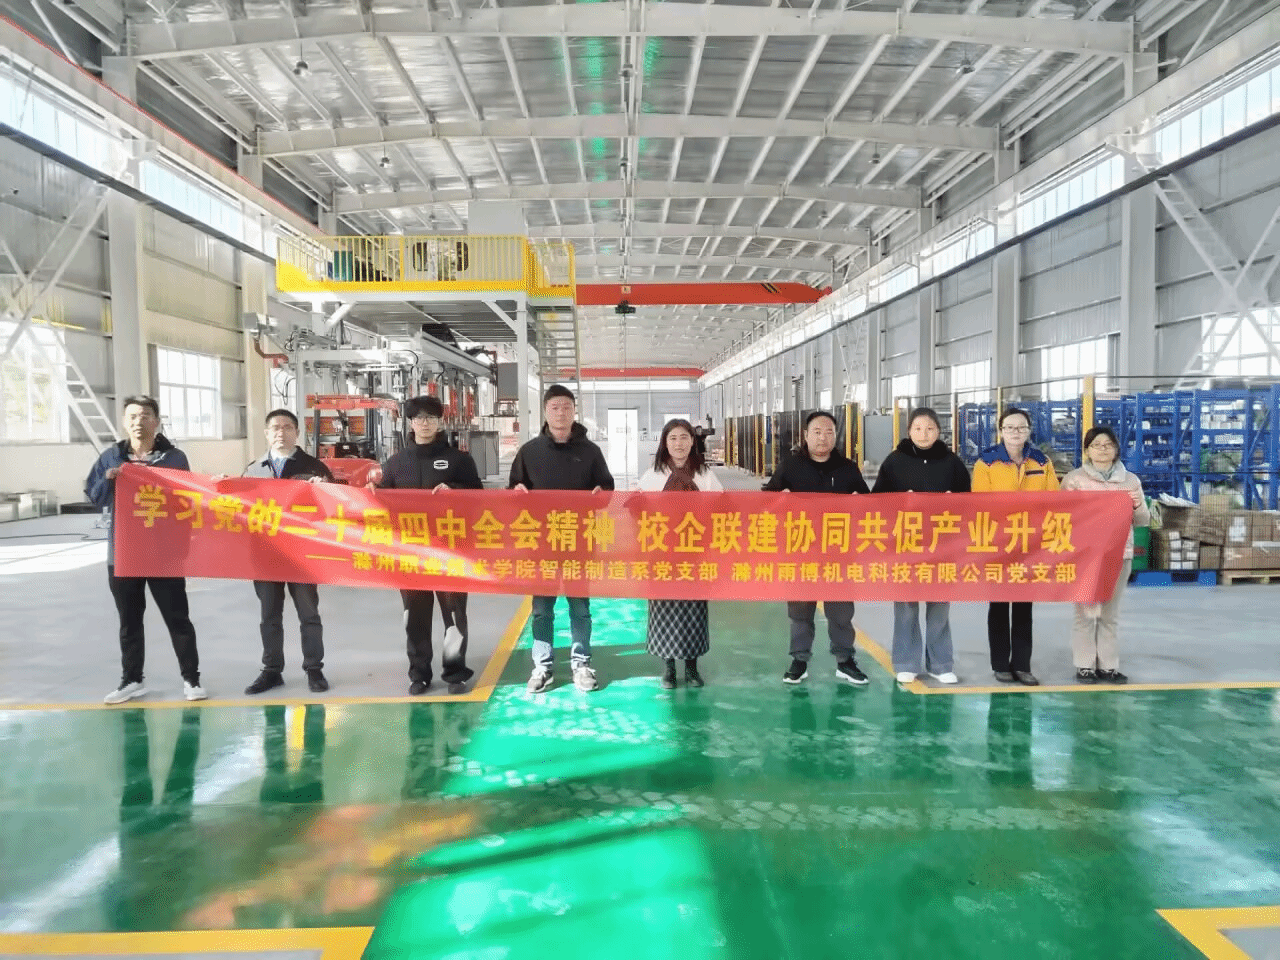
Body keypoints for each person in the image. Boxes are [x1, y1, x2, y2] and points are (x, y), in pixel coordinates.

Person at [85, 395, 206, 704]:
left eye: (145, 416)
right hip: (123, 554)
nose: (139, 422)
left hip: (163, 554)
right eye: (133, 416)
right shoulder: (112, 457)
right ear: (125, 422)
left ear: (157, 421)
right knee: (129, 621)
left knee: (177, 618)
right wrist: (109, 481)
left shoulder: (174, 458)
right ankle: (132, 680)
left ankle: (191, 679)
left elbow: (188, 497)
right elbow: (95, 497)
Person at [510, 384, 615, 694]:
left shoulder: (590, 452)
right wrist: (516, 493)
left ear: (574, 411)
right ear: (545, 412)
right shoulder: (529, 452)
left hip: (578, 541)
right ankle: (542, 667)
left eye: (566, 407)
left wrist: (602, 494)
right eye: (555, 407)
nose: (561, 413)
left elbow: (607, 490)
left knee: (579, 607)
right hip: (541, 544)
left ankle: (581, 664)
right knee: (542, 609)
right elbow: (514, 490)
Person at [377, 395, 484, 695]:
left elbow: (478, 496)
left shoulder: (459, 460)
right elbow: (381, 502)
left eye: (431, 417)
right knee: (415, 617)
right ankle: (419, 673)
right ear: (410, 423)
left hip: (450, 552)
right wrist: (373, 491)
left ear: (440, 422)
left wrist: (455, 489)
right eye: (419, 418)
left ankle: (455, 672)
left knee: (454, 615)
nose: (425, 423)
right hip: (411, 555)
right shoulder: (396, 464)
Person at [763, 410, 871, 686]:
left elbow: (869, 504)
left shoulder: (848, 469)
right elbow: (766, 501)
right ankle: (799, 661)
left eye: (829, 432)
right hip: (801, 551)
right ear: (806, 435)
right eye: (817, 432)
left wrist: (860, 502)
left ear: (836, 436)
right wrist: (779, 500)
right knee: (800, 612)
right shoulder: (790, 466)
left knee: (841, 613)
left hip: (838, 552)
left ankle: (845, 661)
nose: (823, 438)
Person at [872, 407, 972, 685]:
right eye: (918, 428)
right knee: (906, 606)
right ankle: (906, 662)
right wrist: (901, 501)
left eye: (929, 429)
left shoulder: (952, 463)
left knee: (939, 606)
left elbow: (969, 502)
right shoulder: (894, 462)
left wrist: (954, 501)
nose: (924, 434)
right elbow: (877, 500)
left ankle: (941, 664)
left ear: (938, 431)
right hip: (906, 544)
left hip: (943, 546)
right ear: (909, 432)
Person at [240, 409, 334, 696]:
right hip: (266, 555)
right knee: (269, 615)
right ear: (266, 433)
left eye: (287, 427)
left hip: (302, 555)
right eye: (275, 427)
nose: (281, 432)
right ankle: (271, 670)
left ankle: (314, 669)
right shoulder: (253, 470)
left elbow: (335, 507)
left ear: (297, 432)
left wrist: (326, 489)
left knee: (309, 614)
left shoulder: (314, 468)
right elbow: (237, 510)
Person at [972, 407, 1060, 685]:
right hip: (998, 544)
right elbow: (980, 505)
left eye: (1021, 427)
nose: (1015, 432)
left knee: (1024, 606)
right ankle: (1000, 664)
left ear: (1029, 431)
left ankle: (1022, 665)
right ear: (1001, 431)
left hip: (1030, 544)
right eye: (1009, 427)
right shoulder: (986, 463)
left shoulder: (1041, 462)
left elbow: (1054, 500)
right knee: (998, 605)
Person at [637, 419, 725, 689]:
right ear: (665, 443)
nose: (679, 443)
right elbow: (638, 511)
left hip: (694, 554)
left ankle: (692, 667)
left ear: (692, 441)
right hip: (662, 555)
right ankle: (668, 668)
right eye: (673, 438)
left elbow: (721, 505)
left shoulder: (704, 474)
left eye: (684, 438)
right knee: (664, 609)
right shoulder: (653, 475)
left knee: (693, 610)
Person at [1061, 426, 1149, 684]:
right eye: (1096, 445)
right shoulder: (1074, 480)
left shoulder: (1130, 481)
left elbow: (1143, 520)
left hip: (1119, 555)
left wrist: (1137, 504)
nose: (1102, 449)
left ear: (1116, 449)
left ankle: (1109, 666)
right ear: (1087, 450)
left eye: (1108, 444)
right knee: (1086, 613)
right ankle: (1085, 665)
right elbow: (1062, 517)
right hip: (1086, 556)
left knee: (1110, 614)